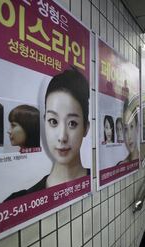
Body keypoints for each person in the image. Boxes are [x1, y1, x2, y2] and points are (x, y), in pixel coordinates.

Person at [5, 67, 90, 201]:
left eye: (72, 123)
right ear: (44, 122)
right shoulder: (19, 201)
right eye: (53, 121)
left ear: (86, 128)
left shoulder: (99, 180)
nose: (62, 137)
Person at [118, 99, 139, 164]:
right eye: (126, 129)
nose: (129, 136)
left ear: (137, 128)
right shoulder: (121, 165)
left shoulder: (144, 160)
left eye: (131, 126)